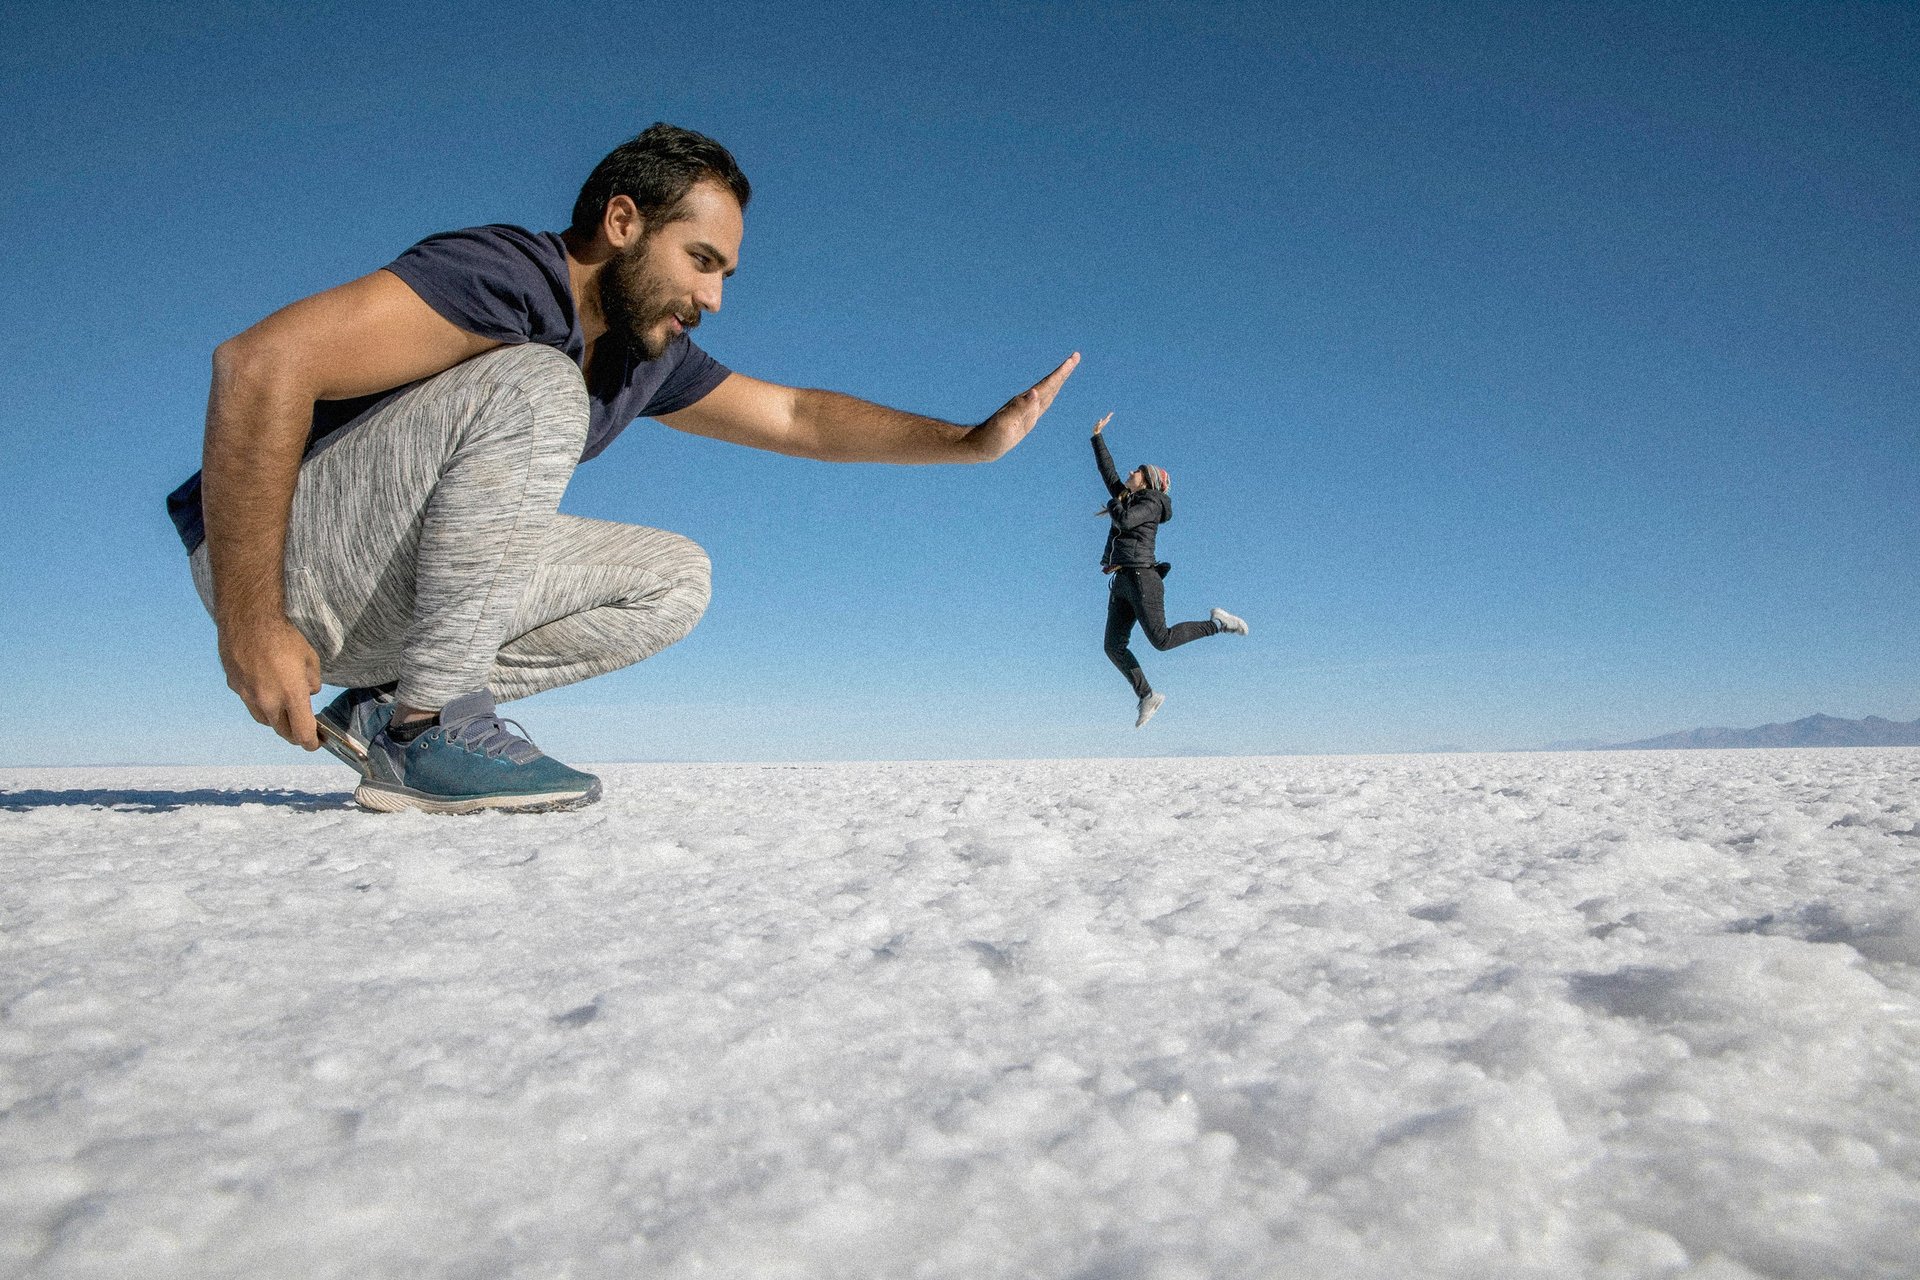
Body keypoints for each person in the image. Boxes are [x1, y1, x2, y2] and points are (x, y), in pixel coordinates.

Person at [167, 123, 1079, 813]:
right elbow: (259, 364)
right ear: (621, 221)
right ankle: (430, 727)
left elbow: (798, 417)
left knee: (675, 579)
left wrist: (970, 441)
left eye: (726, 274)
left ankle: (390, 707)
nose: (713, 297)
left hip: (383, 601)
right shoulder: (509, 275)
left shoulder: (645, 358)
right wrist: (251, 620)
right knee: (539, 385)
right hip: (279, 567)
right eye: (701, 261)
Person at [1091, 412, 1246, 727]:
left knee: (1161, 640)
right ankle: (1147, 695)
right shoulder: (1129, 498)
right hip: (1122, 579)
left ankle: (1218, 624)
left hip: (1142, 578)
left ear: (1147, 480)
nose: (1129, 472)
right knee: (1112, 646)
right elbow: (1109, 476)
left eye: (1136, 470)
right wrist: (1097, 438)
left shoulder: (1151, 504)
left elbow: (1122, 520)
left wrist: (1112, 506)